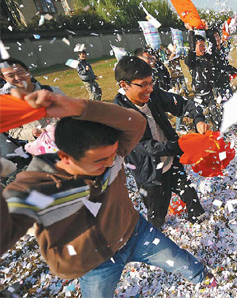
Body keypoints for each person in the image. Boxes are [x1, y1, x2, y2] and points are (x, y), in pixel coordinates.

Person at [1, 90, 216, 297]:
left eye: (113, 154)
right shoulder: (38, 186)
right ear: (65, 157)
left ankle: (201, 277)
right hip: (94, 263)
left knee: (181, 261)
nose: (112, 162)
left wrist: (79, 107)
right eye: (100, 161)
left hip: (135, 232)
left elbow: (136, 123)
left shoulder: (112, 152)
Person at [114, 56, 209, 228]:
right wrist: (184, 145)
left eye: (151, 83)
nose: (149, 89)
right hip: (149, 172)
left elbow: (182, 104)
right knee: (157, 212)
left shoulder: (153, 94)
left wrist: (198, 119)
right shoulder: (120, 115)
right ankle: (156, 238)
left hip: (171, 161)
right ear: (124, 85)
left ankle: (201, 221)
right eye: (143, 84)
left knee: (189, 193)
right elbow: (148, 147)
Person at [0, 58, 63, 142]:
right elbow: (12, 131)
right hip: (41, 150)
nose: (18, 77)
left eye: (20, 72)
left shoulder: (51, 91)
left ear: (28, 72)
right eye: (10, 76)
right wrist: (32, 133)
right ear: (5, 79)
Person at [184, 21, 221, 130]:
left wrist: (207, 30)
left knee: (215, 116)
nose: (203, 48)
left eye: (204, 45)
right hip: (198, 96)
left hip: (209, 94)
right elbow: (190, 50)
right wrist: (191, 31)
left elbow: (213, 47)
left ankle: (218, 135)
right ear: (194, 47)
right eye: (200, 46)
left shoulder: (207, 58)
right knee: (200, 118)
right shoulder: (191, 61)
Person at [212, 28, 237, 101]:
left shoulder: (221, 49)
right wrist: (235, 70)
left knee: (230, 101)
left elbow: (226, 63)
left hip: (225, 81)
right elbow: (221, 67)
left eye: (218, 36)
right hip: (218, 83)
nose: (217, 38)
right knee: (225, 104)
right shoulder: (212, 52)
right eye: (214, 37)